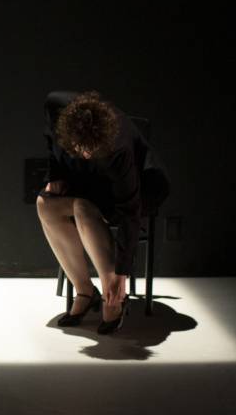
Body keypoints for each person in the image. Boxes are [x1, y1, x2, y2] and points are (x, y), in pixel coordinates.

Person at [35, 90, 167, 334]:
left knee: (84, 209)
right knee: (45, 205)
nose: (86, 154)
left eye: (91, 150)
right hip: (88, 180)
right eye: (81, 148)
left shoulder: (118, 147)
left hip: (136, 188)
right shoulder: (55, 106)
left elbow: (130, 211)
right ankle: (85, 292)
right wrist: (55, 176)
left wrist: (121, 272)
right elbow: (49, 140)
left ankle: (112, 294)